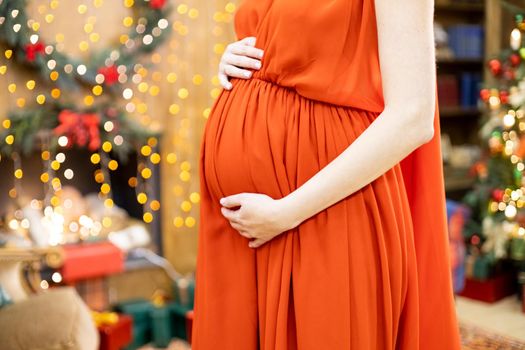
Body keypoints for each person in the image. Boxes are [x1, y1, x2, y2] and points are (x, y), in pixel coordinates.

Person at [192, 0, 462, 349]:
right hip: (243, 231)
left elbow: (413, 117)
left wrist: (287, 212)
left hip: (324, 212)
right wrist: (240, 57)